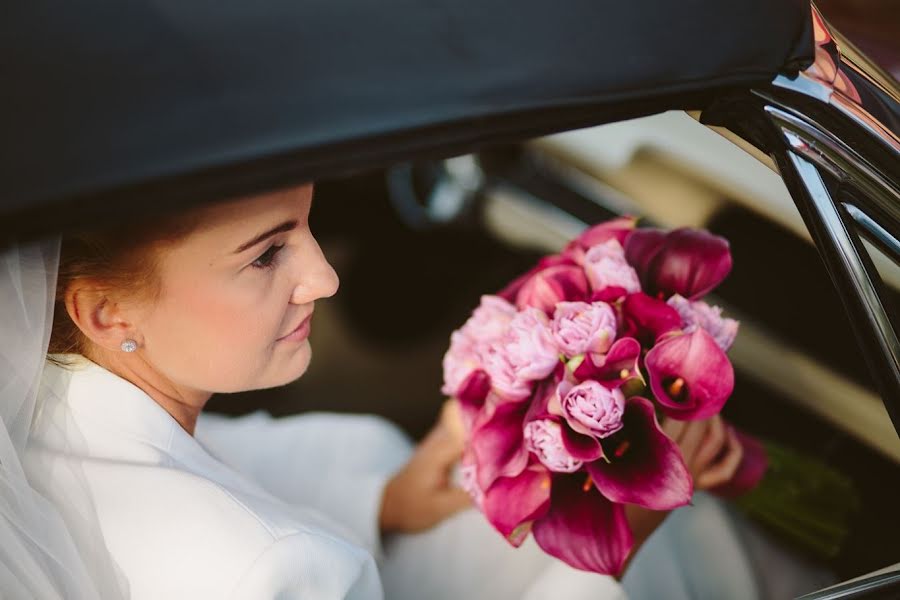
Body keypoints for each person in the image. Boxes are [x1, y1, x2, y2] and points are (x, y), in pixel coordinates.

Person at [5, 183, 831, 599]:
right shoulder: (271, 572)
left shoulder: (32, 409)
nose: (324, 277)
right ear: (105, 310)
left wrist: (389, 501)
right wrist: (633, 518)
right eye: (265, 256)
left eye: (307, 227)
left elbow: (238, 451)